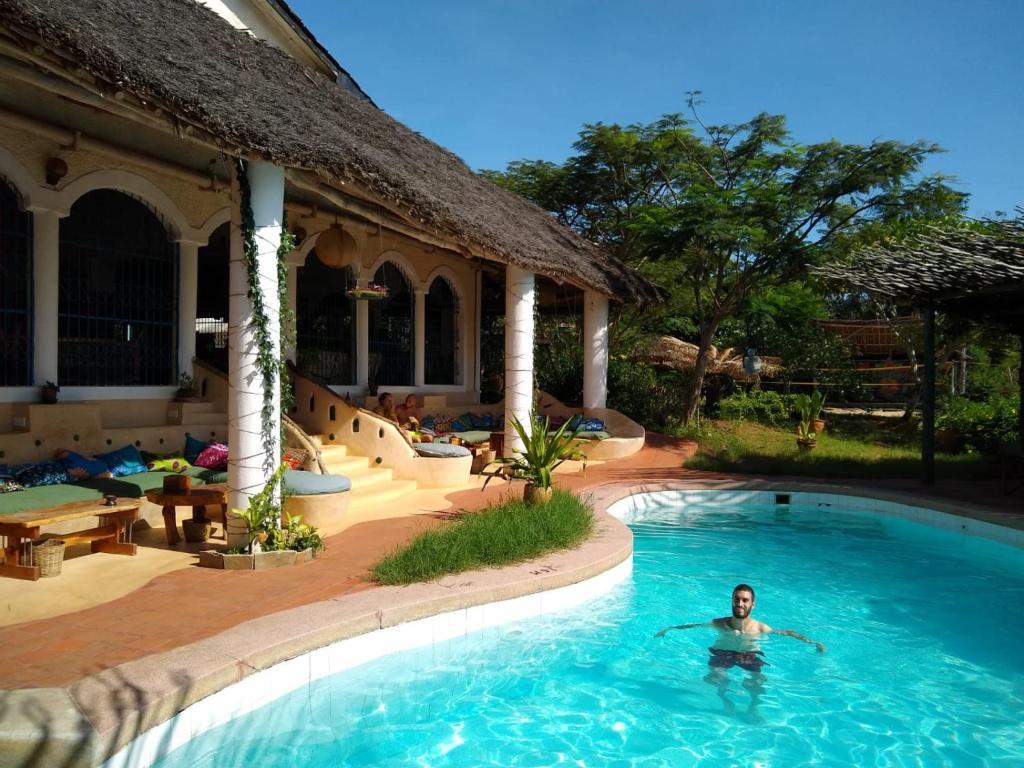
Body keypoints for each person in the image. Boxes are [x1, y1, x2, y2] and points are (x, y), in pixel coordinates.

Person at [655, 584, 825, 716]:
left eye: (745, 600)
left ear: (752, 604)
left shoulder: (760, 628)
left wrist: (813, 643)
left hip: (748, 655)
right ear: (732, 601)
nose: (740, 604)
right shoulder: (719, 624)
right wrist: (668, 629)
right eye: (737, 599)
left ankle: (753, 708)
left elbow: (787, 633)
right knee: (717, 678)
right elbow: (694, 626)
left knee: (757, 682)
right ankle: (724, 702)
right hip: (723, 653)